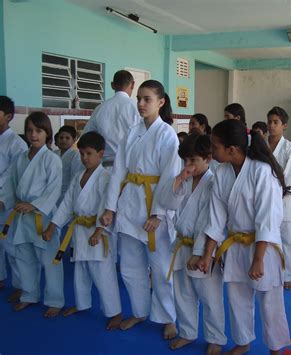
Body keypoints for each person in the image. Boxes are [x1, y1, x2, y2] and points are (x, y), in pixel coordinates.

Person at [196, 120, 291, 355]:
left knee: (269, 300)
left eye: (215, 146)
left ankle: (276, 348)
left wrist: (258, 259)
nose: (211, 151)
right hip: (235, 244)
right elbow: (216, 218)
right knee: (237, 298)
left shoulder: (261, 171)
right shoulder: (221, 172)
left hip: (263, 246)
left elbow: (267, 220)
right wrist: (207, 254)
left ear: (231, 150)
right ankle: (243, 341)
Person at [100, 80, 180, 337]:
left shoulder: (167, 134)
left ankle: (168, 317)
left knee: (160, 267)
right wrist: (110, 207)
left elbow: (170, 175)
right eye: (140, 99)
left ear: (161, 102)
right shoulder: (131, 132)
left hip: (153, 206)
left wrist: (158, 213)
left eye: (147, 99)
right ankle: (139, 311)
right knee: (130, 266)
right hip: (130, 205)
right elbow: (117, 172)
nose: (142, 104)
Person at [43, 132, 122, 330]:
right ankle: (82, 304)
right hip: (79, 231)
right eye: (82, 154)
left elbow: (107, 207)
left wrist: (99, 231)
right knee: (81, 272)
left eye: (89, 153)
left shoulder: (105, 178)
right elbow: (68, 204)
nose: (84, 158)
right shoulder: (79, 175)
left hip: (96, 232)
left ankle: (115, 312)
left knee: (103, 274)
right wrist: (54, 225)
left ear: (101, 154)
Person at [160, 134, 226, 354]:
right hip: (180, 245)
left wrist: (200, 253)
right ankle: (187, 332)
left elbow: (210, 221)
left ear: (208, 159)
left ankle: (216, 338)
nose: (188, 165)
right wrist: (179, 178)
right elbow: (165, 202)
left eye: (193, 161)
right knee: (183, 293)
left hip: (203, 247)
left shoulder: (213, 183)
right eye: (185, 161)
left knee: (210, 297)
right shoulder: (185, 179)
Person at [0, 112, 64, 317]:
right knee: (24, 256)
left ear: (47, 133)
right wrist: (4, 200)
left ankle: (55, 300)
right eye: (29, 130)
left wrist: (35, 205)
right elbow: (11, 184)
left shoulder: (52, 159)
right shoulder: (20, 158)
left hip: (42, 217)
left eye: (38, 130)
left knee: (49, 260)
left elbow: (54, 190)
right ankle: (29, 295)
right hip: (21, 215)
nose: (33, 135)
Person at [267, 106, 291, 289]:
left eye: (276, 122)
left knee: (287, 239)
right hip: (264, 201)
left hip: (283, 200)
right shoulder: (262, 147)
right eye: (270, 122)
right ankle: (270, 269)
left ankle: (288, 274)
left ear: (284, 126)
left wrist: (269, 191)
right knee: (267, 237)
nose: (271, 126)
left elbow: (289, 181)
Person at [83, 70, 140, 168]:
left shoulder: (100, 109)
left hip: (105, 167)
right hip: (131, 168)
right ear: (133, 84)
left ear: (112, 85)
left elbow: (87, 137)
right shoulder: (137, 107)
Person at [0, 96, 27, 299]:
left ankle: (20, 285)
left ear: (8, 116)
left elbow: (13, 175)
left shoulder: (16, 144)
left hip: (6, 202)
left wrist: (3, 198)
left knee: (11, 244)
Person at [55, 125, 82, 205]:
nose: (63, 140)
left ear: (74, 140)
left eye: (67, 138)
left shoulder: (76, 155)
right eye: (61, 137)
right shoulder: (53, 154)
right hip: (52, 191)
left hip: (66, 192)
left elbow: (75, 177)